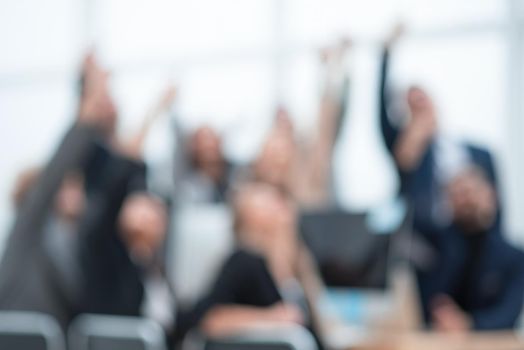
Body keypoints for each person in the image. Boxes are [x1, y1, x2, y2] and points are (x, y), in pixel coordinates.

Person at [378, 25, 502, 232]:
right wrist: (385, 54)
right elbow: (381, 115)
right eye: (413, 106)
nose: (421, 108)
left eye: (423, 100)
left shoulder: (481, 154)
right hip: (432, 245)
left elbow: (497, 213)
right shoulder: (412, 159)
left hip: (479, 240)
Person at [177, 182, 324, 344]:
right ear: (250, 218)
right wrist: (271, 319)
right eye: (270, 203)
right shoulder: (245, 262)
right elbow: (206, 318)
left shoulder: (295, 263)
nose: (281, 206)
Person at [416, 167, 524, 332]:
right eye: (457, 195)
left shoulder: (514, 258)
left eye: (471, 192)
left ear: (491, 195)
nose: (466, 200)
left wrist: (468, 324)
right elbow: (424, 304)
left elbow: (507, 315)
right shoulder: (435, 250)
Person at [253, 40, 351, 208]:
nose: (279, 165)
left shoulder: (310, 172)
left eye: (282, 157)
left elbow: (327, 120)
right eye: (273, 160)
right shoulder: (259, 198)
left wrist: (331, 68)